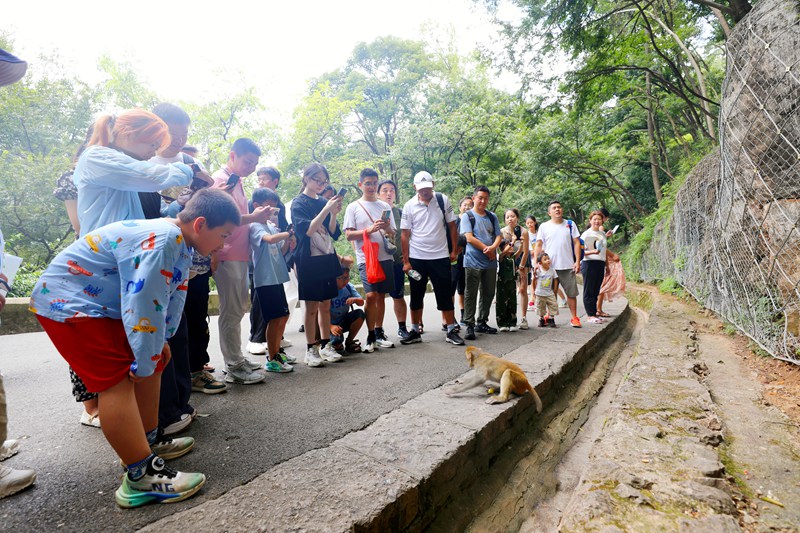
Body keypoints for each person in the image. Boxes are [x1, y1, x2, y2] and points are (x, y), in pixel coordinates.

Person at [30, 189, 240, 507]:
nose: (222, 244)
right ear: (200, 224)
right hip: (70, 304)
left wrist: (161, 343)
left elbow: (171, 295)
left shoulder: (179, 239)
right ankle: (140, 476)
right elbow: (143, 304)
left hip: (95, 305)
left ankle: (147, 442)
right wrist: (145, 357)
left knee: (153, 362)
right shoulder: (165, 238)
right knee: (116, 382)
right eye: (222, 235)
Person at [211, 138, 272, 384]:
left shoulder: (237, 181)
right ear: (233, 155)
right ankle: (233, 365)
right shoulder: (221, 181)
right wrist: (254, 216)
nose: (251, 167)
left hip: (239, 253)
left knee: (237, 309)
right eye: (247, 161)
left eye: (255, 164)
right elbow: (222, 218)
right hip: (226, 253)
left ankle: (236, 358)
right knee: (232, 310)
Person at [400, 171, 464, 346]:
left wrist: (454, 250)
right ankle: (414, 330)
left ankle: (451, 329)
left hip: (440, 255)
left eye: (427, 188)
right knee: (416, 294)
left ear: (433, 185)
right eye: (421, 189)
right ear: (415, 188)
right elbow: (405, 234)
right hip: (417, 257)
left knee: (444, 293)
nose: (424, 191)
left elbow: (452, 226)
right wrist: (406, 261)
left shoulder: (442, 200)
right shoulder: (409, 205)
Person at [292, 163, 345, 367]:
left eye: (324, 181)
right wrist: (325, 209)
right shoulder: (299, 203)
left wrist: (333, 213)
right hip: (309, 261)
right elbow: (307, 230)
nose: (321, 185)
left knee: (326, 304)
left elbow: (332, 231)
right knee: (311, 306)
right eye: (317, 180)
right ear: (306, 178)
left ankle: (325, 345)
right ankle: (310, 348)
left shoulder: (324, 201)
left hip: (326, 258)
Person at [343, 168, 396, 353]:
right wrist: (369, 230)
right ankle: (370, 333)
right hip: (366, 258)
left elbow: (392, 233)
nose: (372, 186)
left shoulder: (385, 206)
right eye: (368, 183)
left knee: (381, 295)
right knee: (371, 295)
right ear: (360, 185)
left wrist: (387, 227)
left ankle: (379, 332)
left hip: (385, 256)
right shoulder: (353, 206)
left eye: (374, 183)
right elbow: (349, 234)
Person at [247, 166, 293, 358]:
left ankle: (277, 351)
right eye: (267, 207)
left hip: (277, 276)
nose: (271, 211)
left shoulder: (271, 226)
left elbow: (279, 250)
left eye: (273, 208)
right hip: (264, 278)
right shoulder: (255, 226)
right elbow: (269, 240)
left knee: (283, 315)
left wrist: (288, 243)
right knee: (273, 316)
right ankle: (272, 357)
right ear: (256, 205)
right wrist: (287, 234)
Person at [460, 186, 502, 340]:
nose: (483, 201)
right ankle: (469, 324)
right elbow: (469, 238)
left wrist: (493, 248)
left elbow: (499, 235)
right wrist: (488, 250)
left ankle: (482, 321)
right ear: (474, 198)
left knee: (488, 293)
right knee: (470, 294)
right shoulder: (468, 216)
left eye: (486, 198)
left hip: (490, 262)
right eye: (480, 197)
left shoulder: (492, 216)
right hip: (472, 261)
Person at [534, 200, 583, 327]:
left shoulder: (570, 224)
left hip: (567, 265)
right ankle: (549, 317)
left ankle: (574, 318)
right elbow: (538, 245)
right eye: (554, 208)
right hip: (549, 267)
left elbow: (577, 242)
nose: (557, 209)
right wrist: (536, 263)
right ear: (549, 212)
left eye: (559, 207)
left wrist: (577, 261)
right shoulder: (544, 226)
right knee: (549, 293)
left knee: (571, 293)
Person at [377, 179, 411, 342]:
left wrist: (407, 259)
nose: (389, 193)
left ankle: (402, 328)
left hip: (397, 261)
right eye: (384, 190)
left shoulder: (400, 212)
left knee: (398, 295)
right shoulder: (372, 210)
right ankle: (378, 330)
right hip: (377, 260)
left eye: (391, 190)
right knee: (378, 297)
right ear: (378, 194)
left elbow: (408, 236)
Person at [329, 267, 366, 353]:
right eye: (340, 278)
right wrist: (330, 326)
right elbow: (319, 314)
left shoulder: (349, 287)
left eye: (346, 277)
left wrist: (355, 299)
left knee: (360, 314)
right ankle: (328, 342)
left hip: (342, 321)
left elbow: (361, 302)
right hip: (328, 324)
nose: (344, 281)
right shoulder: (328, 290)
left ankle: (349, 342)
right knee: (336, 341)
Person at [505, 209, 530, 330]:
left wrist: (521, 266)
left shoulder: (523, 231)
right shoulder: (502, 232)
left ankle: (524, 318)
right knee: (509, 288)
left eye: (513, 216)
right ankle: (509, 318)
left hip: (522, 261)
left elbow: (525, 251)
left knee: (522, 288)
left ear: (517, 218)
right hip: (508, 260)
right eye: (508, 217)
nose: (510, 219)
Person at [581, 211, 608, 324]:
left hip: (600, 263)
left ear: (602, 221)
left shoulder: (602, 234)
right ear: (590, 220)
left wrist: (606, 265)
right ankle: (590, 315)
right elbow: (580, 251)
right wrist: (592, 251)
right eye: (594, 219)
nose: (597, 221)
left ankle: (594, 312)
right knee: (589, 290)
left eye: (599, 219)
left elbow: (604, 251)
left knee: (596, 289)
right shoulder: (586, 234)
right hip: (589, 263)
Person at [452, 197, 473, 326]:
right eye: (465, 205)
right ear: (460, 207)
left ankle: (463, 314)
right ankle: (450, 317)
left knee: (463, 288)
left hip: (468, 257)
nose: (467, 207)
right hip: (454, 257)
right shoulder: (453, 220)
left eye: (470, 205)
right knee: (451, 287)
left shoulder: (472, 221)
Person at [534, 252, 559, 327]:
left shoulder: (552, 270)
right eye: (545, 259)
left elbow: (556, 280)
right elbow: (534, 280)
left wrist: (555, 290)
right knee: (540, 307)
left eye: (548, 259)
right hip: (540, 293)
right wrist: (534, 292)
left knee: (553, 305)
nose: (548, 260)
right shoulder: (538, 271)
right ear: (540, 263)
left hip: (549, 293)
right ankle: (541, 319)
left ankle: (551, 319)